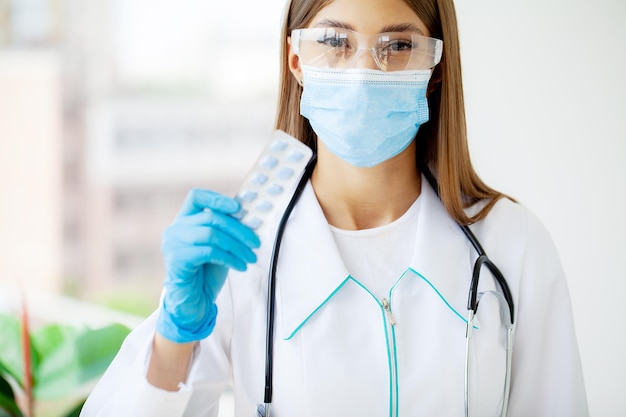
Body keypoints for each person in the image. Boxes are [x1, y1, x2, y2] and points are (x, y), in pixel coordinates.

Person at [81, 0, 588, 415]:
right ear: (296, 61)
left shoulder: (511, 246)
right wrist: (175, 334)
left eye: (399, 45)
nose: (365, 70)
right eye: (334, 41)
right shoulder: (242, 251)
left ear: (434, 70)